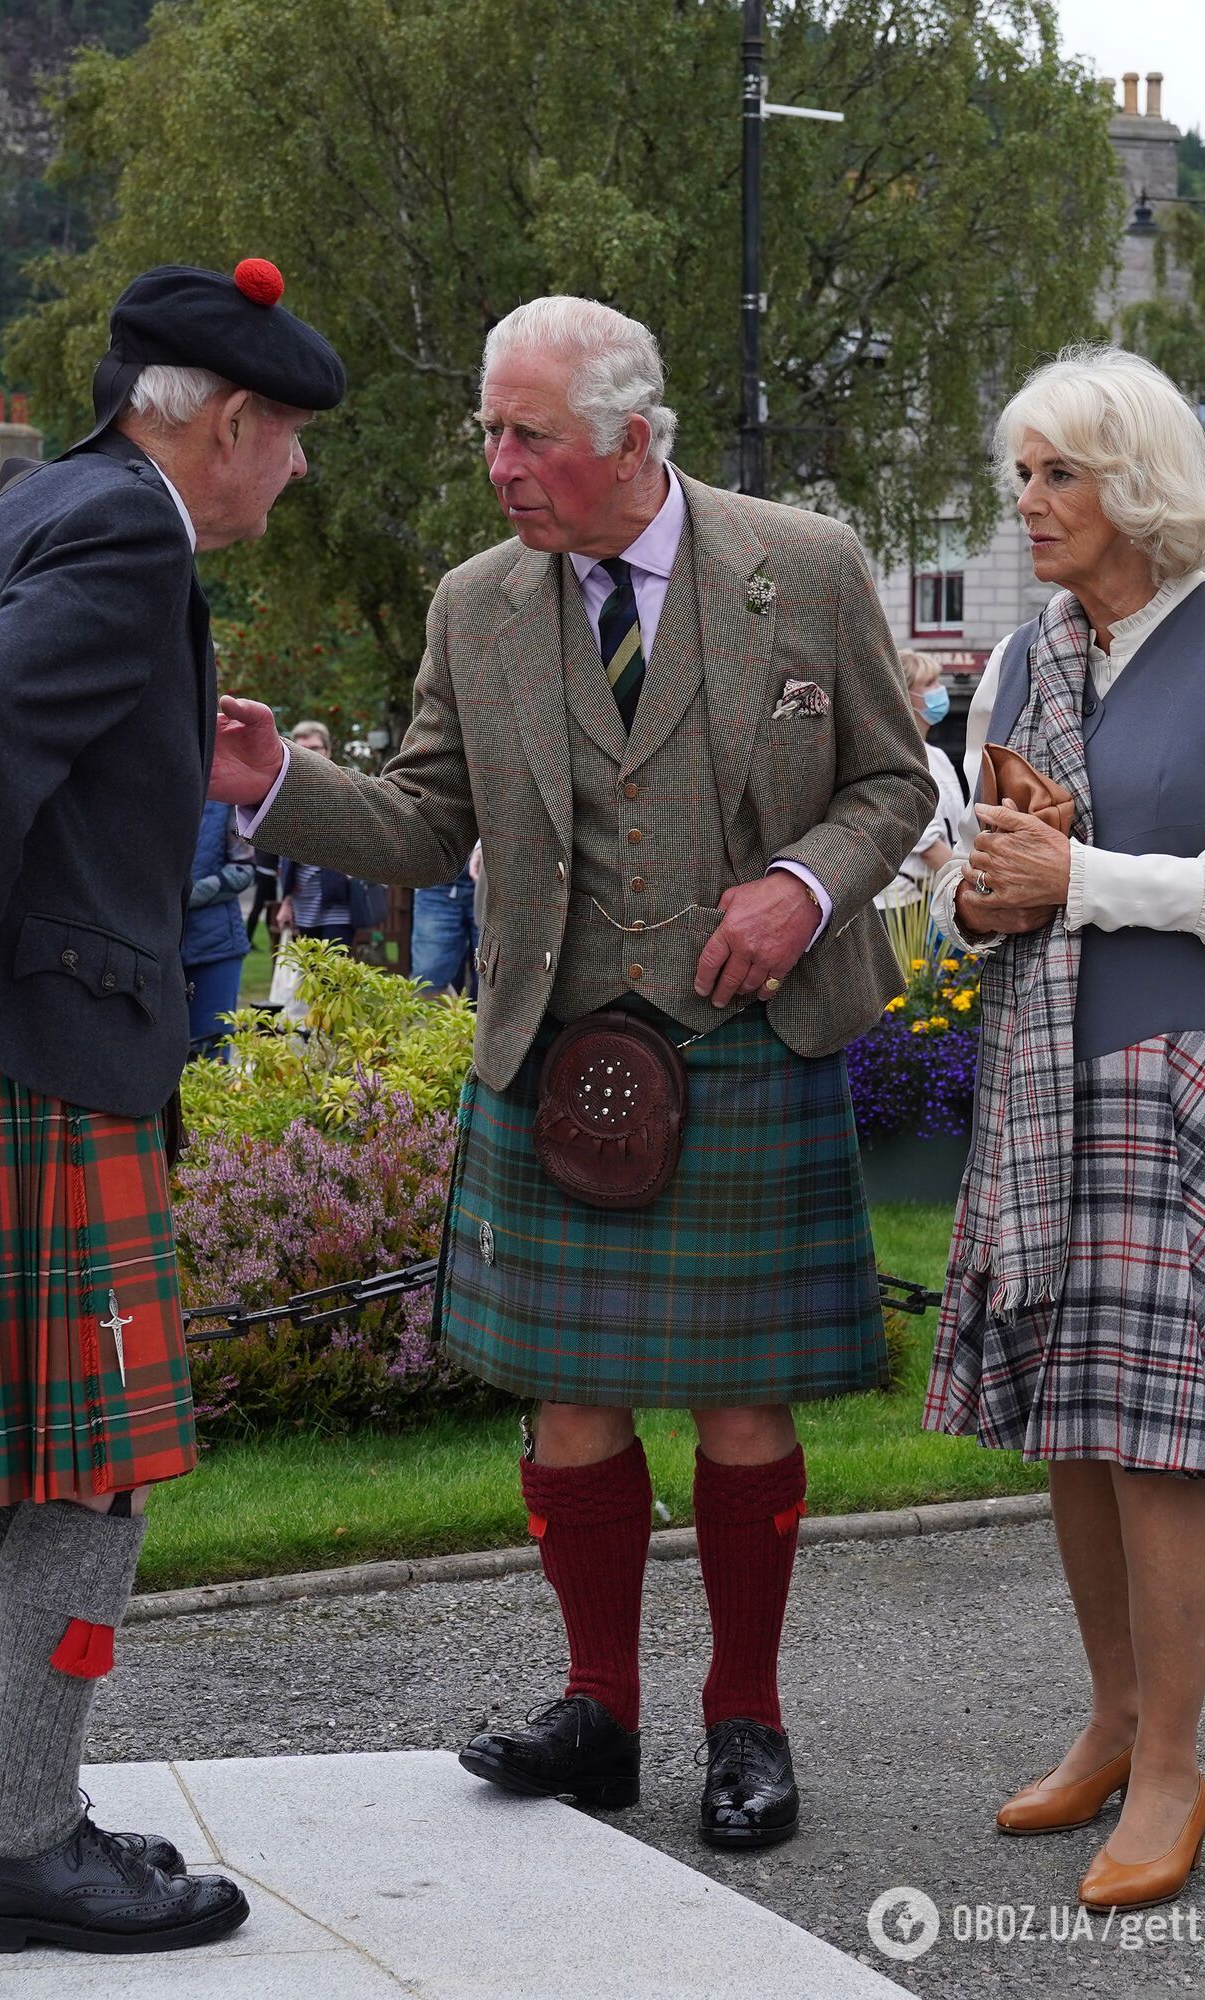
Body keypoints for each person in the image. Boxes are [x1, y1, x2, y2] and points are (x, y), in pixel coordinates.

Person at [213, 295, 934, 1848]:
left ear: (629, 437)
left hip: (750, 1048)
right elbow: (422, 824)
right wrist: (277, 786)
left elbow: (890, 779)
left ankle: (746, 1722)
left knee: (745, 1408)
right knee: (571, 1408)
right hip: (559, 1053)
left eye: (526, 433)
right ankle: (596, 1711)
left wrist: (802, 885)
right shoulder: (477, 604)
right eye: (488, 428)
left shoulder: (800, 567)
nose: (498, 463)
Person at [0, 256, 345, 1955]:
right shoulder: (121, 541)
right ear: (229, 423)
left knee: (14, 1468)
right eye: (291, 440)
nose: (299, 474)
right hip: (31, 1050)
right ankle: (27, 1844)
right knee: (88, 1475)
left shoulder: (16, 519)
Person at [924, 346, 1205, 1913]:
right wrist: (978, 895)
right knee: (1069, 1436)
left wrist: (1074, 883)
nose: (1026, 504)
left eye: (1058, 476)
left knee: (1160, 1452)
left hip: (1184, 1074)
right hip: (1047, 1077)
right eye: (1021, 473)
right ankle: (1109, 1727)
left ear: (1138, 486)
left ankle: (1172, 1764)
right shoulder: (1030, 653)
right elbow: (992, 862)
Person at [270, 720, 382, 950]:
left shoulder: (345, 789)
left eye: (313, 749)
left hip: (338, 904)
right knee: (310, 976)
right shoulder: (289, 794)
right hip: (304, 905)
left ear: (327, 751)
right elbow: (286, 857)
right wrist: (287, 901)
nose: (307, 756)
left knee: (332, 977)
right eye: (300, 750)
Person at [877, 649, 967, 909]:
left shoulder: (938, 756)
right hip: (904, 905)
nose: (940, 690)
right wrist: (970, 888)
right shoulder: (894, 756)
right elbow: (927, 846)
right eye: (929, 684)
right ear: (905, 695)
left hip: (937, 896)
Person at [184, 798, 254, 1057]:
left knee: (210, 1053)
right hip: (154, 947)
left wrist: (184, 895)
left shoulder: (226, 800)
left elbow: (243, 869)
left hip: (216, 949)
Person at [410, 851, 481, 994]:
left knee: (497, 979)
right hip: (437, 871)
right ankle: (458, 1015)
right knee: (427, 979)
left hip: (494, 871)